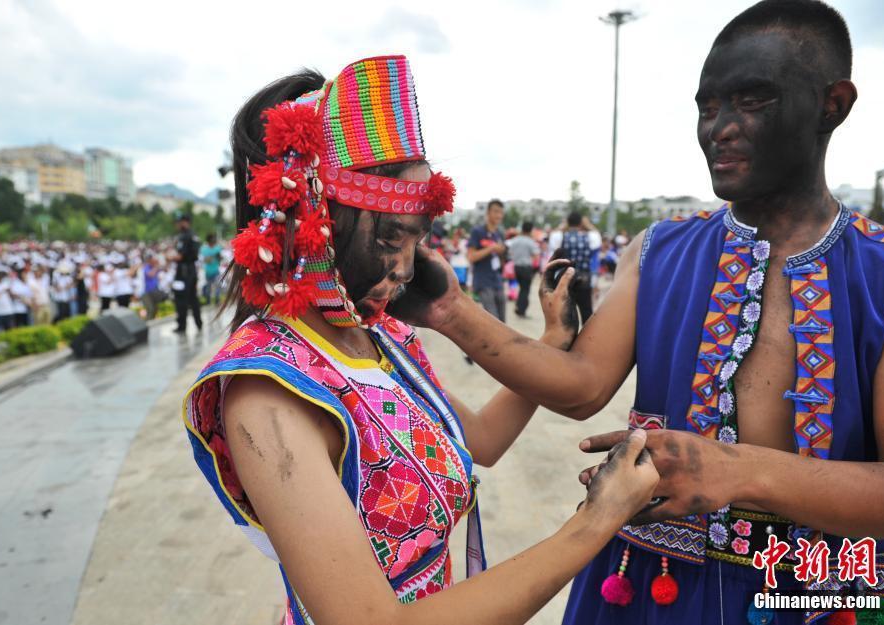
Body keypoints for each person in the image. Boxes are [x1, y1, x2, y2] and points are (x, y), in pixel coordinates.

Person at [387, 2, 884, 623]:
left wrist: (736, 469)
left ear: (833, 104)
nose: (719, 128)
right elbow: (582, 388)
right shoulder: (659, 251)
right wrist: (451, 308)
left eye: (752, 101)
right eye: (707, 107)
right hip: (646, 590)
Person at [182, 56, 659, 625]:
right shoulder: (268, 393)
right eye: (390, 237)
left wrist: (552, 340)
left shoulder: (381, 338)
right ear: (316, 218)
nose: (407, 268)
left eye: (418, 240)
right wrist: (594, 523)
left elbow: (478, 440)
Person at [553, 212, 601, 323]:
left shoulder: (559, 236)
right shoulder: (590, 237)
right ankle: (586, 336)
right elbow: (597, 236)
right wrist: (588, 224)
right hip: (584, 277)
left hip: (564, 277)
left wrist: (563, 225)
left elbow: (553, 239)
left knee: (566, 310)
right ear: (581, 223)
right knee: (586, 309)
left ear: (567, 222)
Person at [468, 200, 507, 321]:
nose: (498, 215)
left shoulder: (499, 233)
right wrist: (491, 248)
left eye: (501, 212)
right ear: (488, 213)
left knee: (502, 320)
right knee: (493, 320)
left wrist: (501, 253)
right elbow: (471, 257)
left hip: (497, 280)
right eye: (495, 211)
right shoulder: (478, 231)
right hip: (483, 281)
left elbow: (502, 262)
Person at [171, 212, 202, 333]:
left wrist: (170, 257)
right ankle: (198, 323)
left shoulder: (185, 236)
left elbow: (181, 256)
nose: (177, 225)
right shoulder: (191, 235)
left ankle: (182, 325)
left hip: (184, 271)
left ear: (184, 222)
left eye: (179, 222)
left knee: (181, 298)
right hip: (190, 270)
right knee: (193, 298)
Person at [507, 221, 539, 318]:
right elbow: (536, 256)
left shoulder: (515, 240)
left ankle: (519, 306)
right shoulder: (530, 241)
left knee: (521, 288)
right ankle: (521, 310)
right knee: (525, 289)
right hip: (526, 267)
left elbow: (510, 253)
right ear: (530, 230)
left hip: (516, 267)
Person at [200, 234, 223, 305]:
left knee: (217, 285)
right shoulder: (205, 249)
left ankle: (216, 300)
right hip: (209, 271)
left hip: (215, 270)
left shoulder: (216, 248)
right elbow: (205, 260)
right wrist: (213, 257)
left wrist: (218, 257)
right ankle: (209, 300)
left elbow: (220, 258)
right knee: (209, 287)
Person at [140, 253, 163, 321]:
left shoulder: (153, 267)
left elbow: (164, 269)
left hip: (155, 291)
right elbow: (151, 275)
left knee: (155, 308)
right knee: (150, 308)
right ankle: (148, 323)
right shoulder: (146, 267)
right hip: (146, 292)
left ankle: (152, 322)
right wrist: (156, 267)